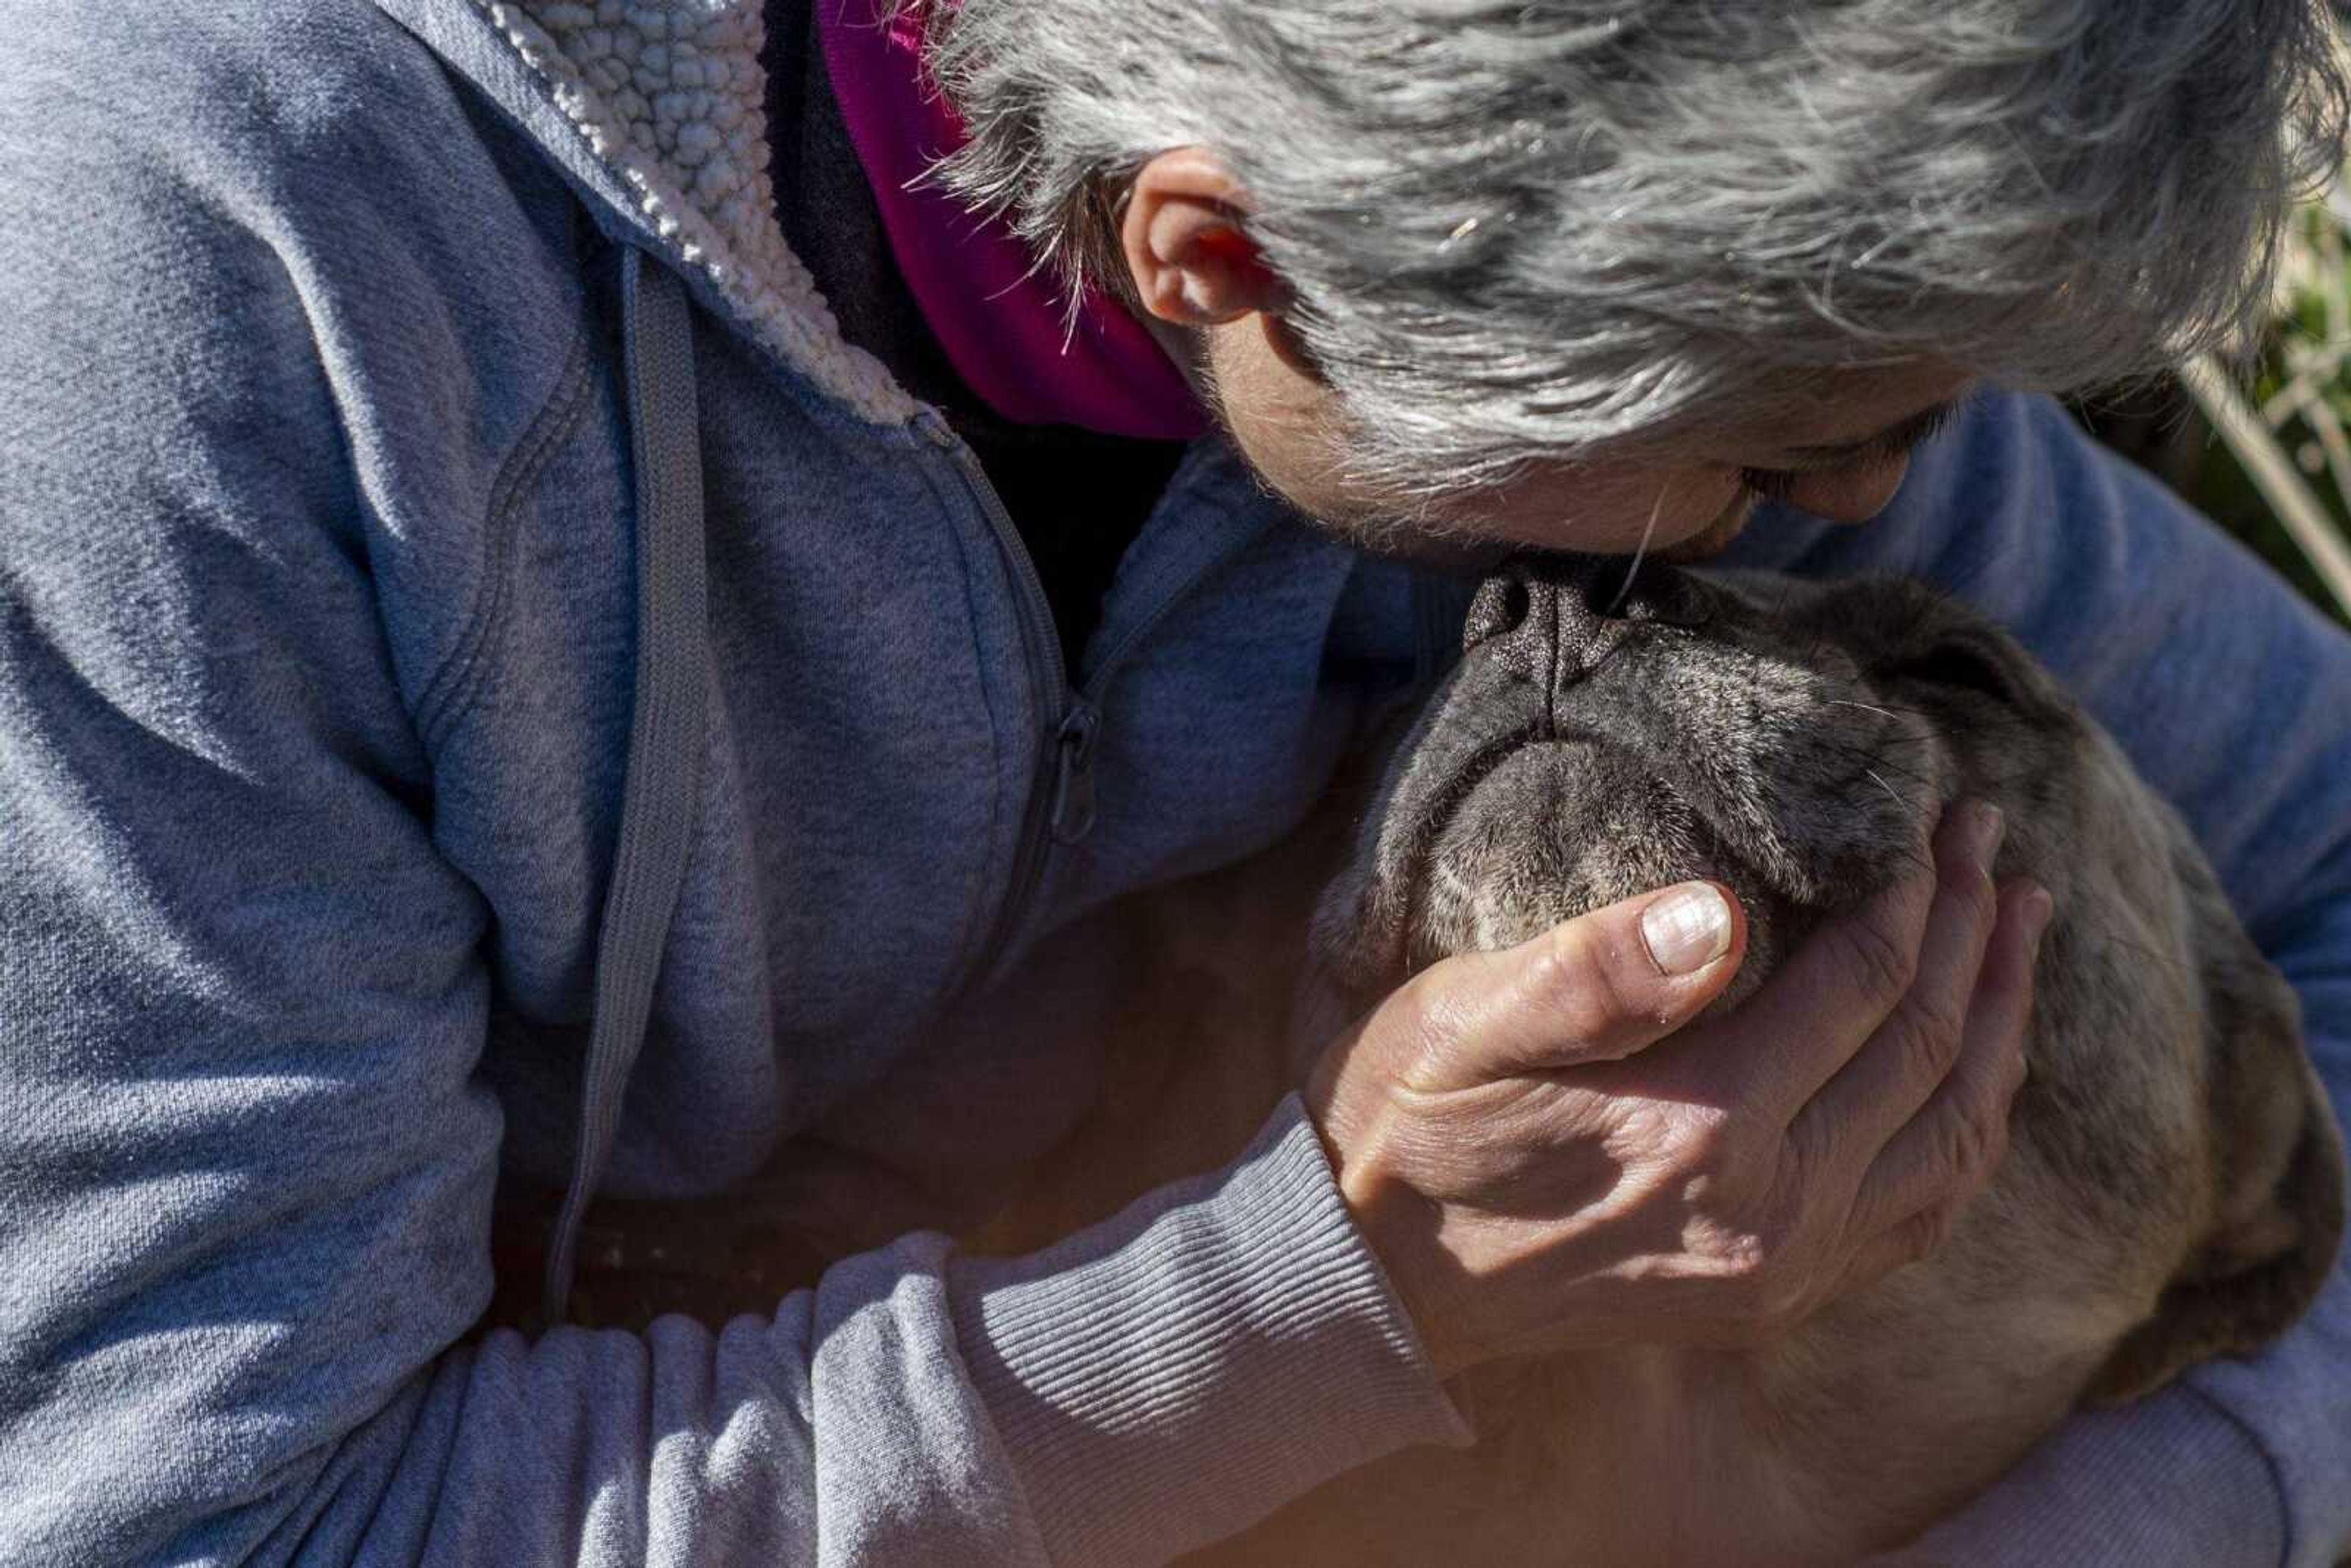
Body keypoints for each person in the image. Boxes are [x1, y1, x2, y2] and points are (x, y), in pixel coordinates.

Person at [0, 1, 2345, 1563]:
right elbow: (215, 1522)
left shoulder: (1619, 253)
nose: (1873, 511)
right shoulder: (200, 286)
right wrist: (1331, 1287)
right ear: (1222, 257)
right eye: (1777, 456)